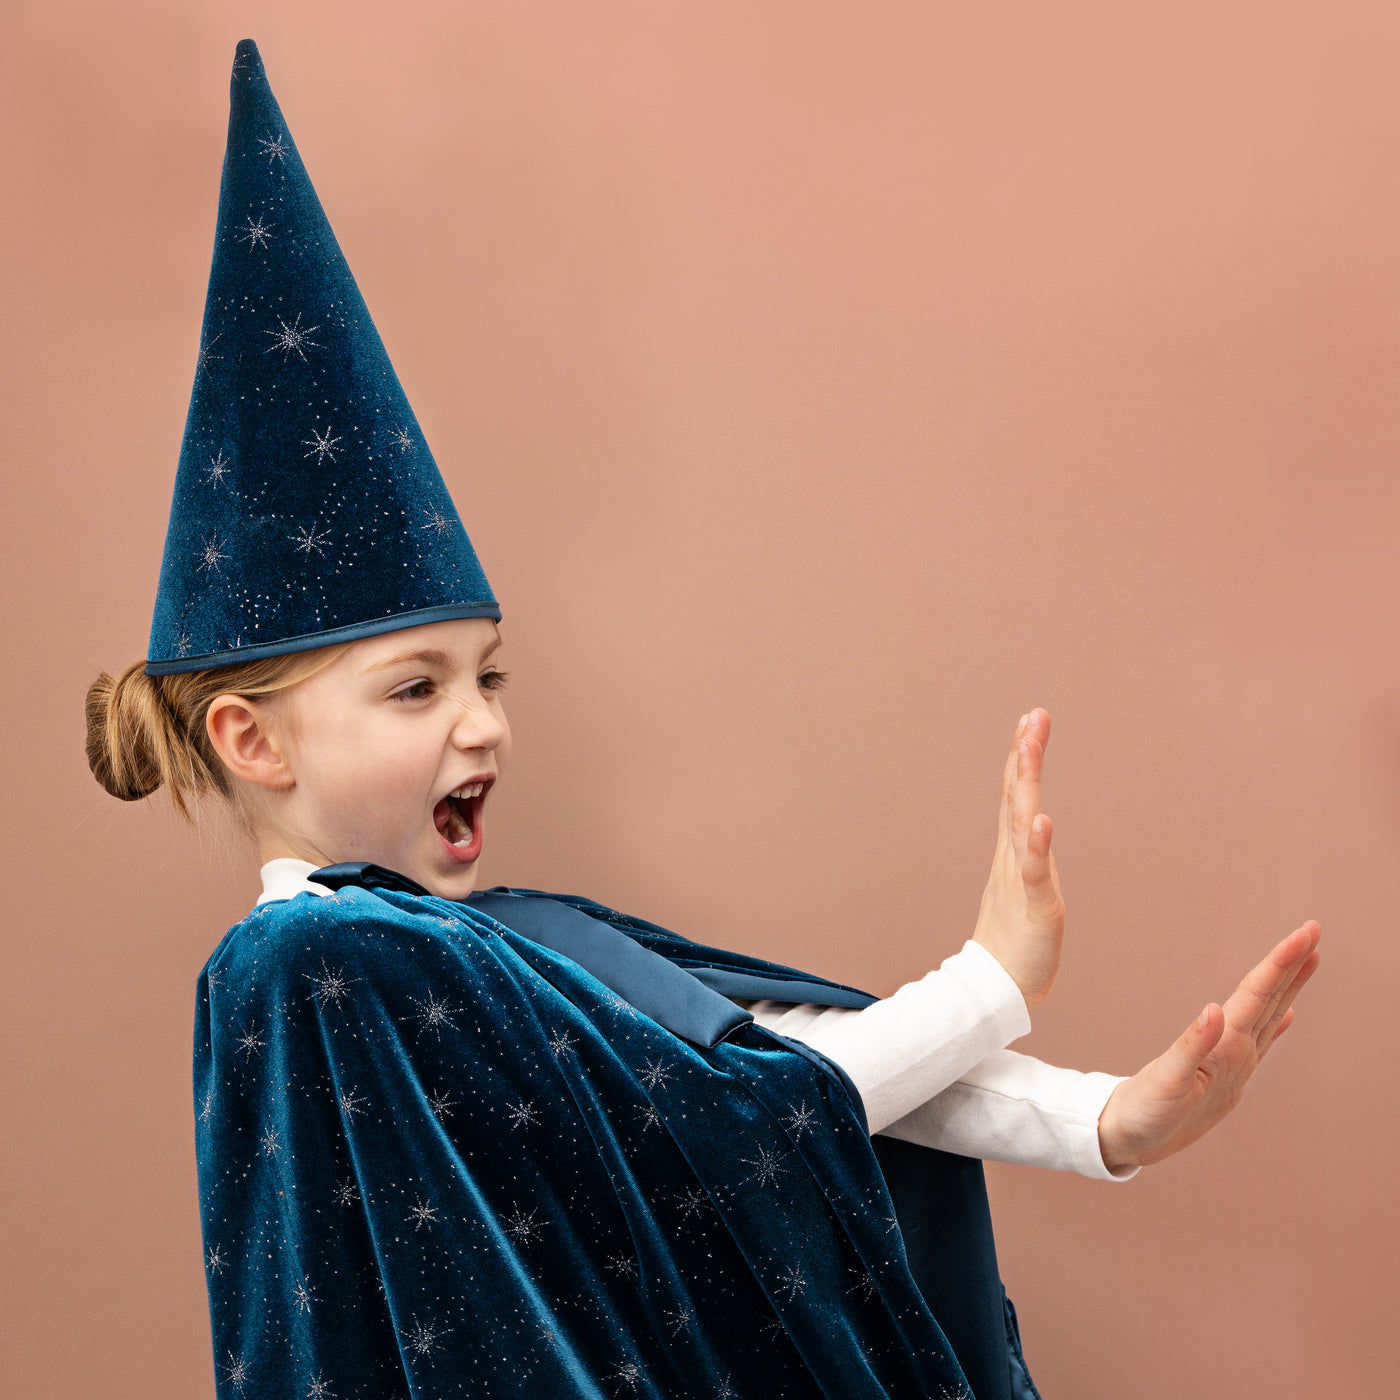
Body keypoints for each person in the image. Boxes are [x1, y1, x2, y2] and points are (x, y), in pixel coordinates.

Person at [84, 39, 1321, 1400]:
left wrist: (1099, 1121)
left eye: (489, 676)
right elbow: (716, 1133)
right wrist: (993, 983)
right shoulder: (320, 963)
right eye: (417, 688)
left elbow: (770, 1063)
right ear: (252, 743)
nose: (484, 725)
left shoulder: (508, 942)